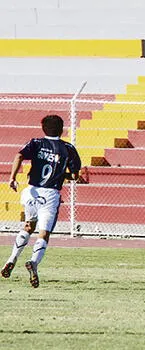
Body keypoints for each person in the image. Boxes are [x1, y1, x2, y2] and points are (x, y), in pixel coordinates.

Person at [1, 115, 81, 288]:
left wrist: (12, 178)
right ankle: (33, 263)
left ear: (43, 128)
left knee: (28, 226)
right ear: (62, 129)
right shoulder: (68, 148)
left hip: (31, 191)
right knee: (43, 233)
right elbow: (75, 176)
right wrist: (62, 175)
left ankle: (11, 259)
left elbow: (18, 156)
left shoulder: (36, 143)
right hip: (50, 194)